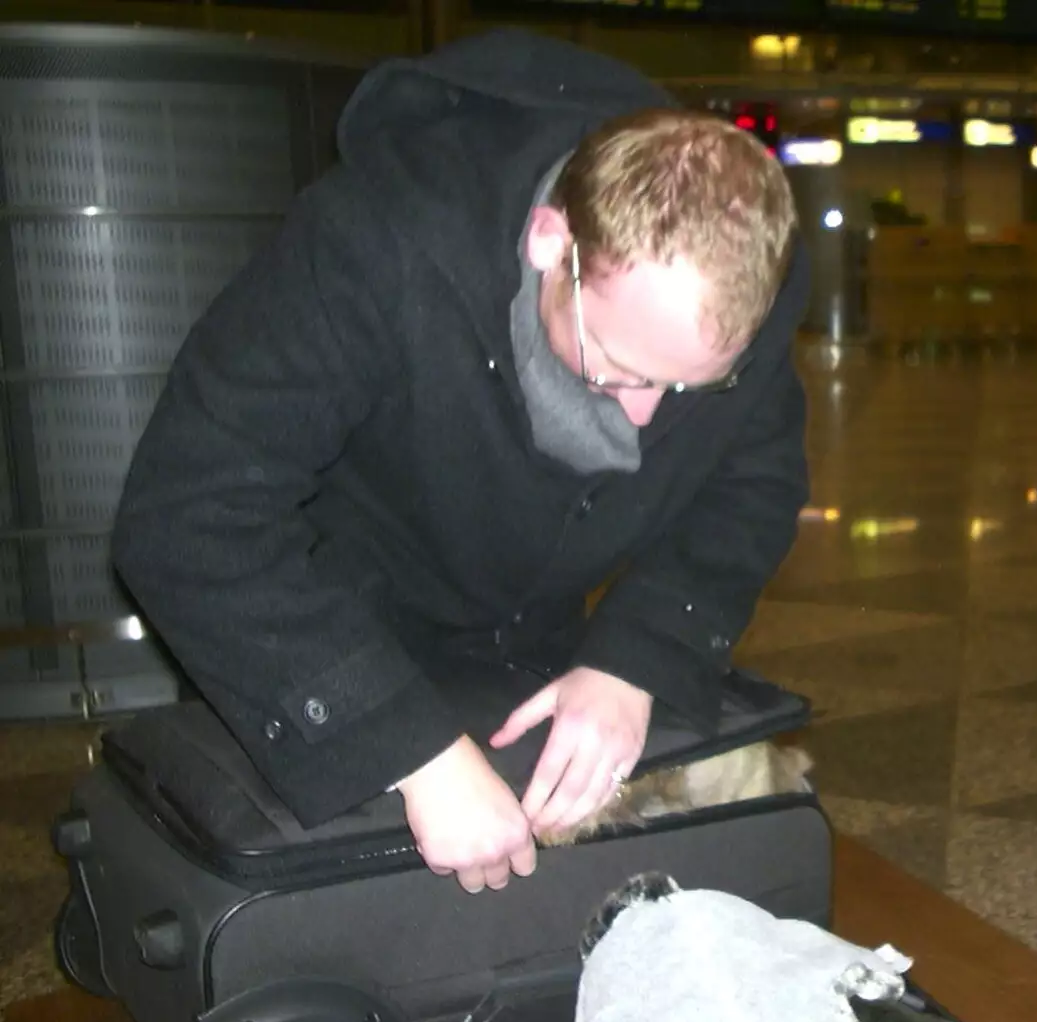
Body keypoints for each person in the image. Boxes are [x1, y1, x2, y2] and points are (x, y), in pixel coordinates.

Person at [109, 28, 811, 897]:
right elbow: (186, 516)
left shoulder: (730, 291)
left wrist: (637, 659)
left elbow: (754, 487)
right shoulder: (381, 240)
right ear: (552, 241)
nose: (641, 415)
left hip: (527, 648)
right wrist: (410, 751)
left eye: (689, 385)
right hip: (324, 635)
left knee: (725, 811)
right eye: (621, 370)